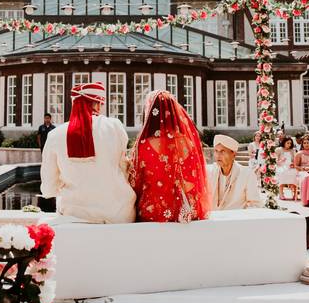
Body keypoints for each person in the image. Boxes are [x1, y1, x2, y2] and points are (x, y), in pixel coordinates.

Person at [40, 81, 136, 223]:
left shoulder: (55, 134)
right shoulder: (115, 127)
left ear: (74, 104)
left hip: (74, 215)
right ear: (97, 104)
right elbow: (124, 169)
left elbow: (48, 189)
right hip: (118, 214)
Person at [129, 90, 210, 221]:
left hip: (154, 213)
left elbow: (135, 181)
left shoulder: (143, 145)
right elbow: (198, 177)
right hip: (189, 212)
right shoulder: (189, 143)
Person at [206, 134, 262, 211]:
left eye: (222, 151)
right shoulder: (209, 172)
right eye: (216, 151)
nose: (218, 155)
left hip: (236, 221)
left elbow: (254, 205)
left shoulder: (247, 174)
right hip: (213, 220)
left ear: (234, 154)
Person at [293, 134, 309, 207]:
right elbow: (296, 166)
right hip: (302, 172)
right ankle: (308, 200)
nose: (306, 144)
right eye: (304, 143)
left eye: (308, 143)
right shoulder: (299, 153)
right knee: (307, 177)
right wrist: (303, 169)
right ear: (302, 144)